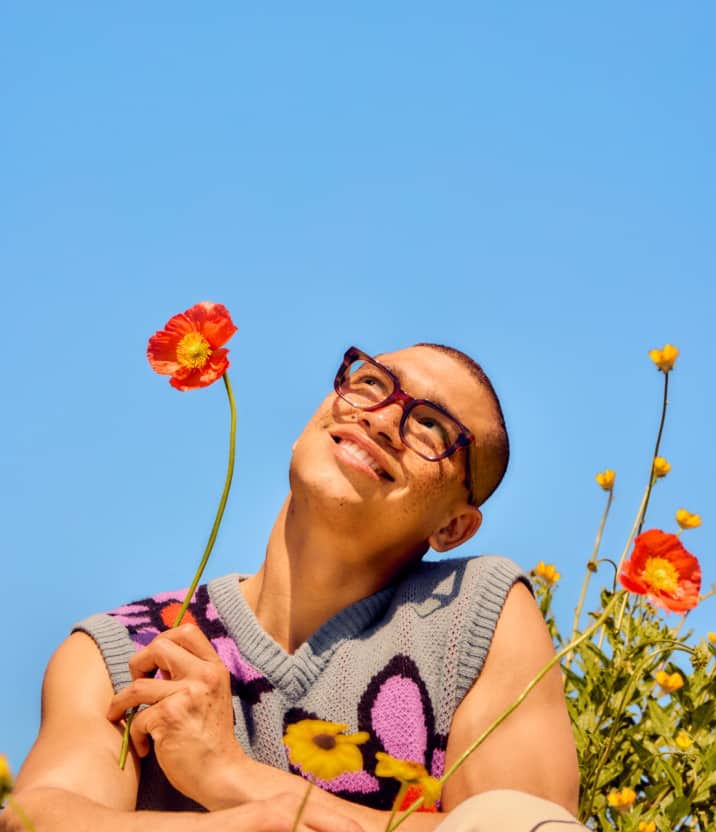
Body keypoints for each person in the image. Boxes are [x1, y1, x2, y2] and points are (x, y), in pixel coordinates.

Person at [3, 343, 584, 832]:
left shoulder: (474, 613)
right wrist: (240, 825)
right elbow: (40, 816)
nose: (382, 418)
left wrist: (232, 777)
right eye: (370, 384)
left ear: (453, 526)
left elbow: (521, 821)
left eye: (432, 426)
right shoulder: (133, 648)